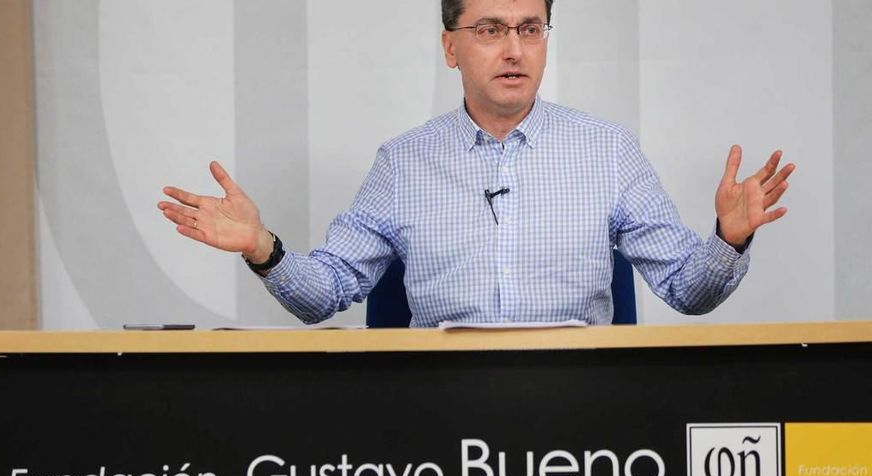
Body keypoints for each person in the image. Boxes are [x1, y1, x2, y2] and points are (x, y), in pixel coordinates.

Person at [158, 0, 795, 327]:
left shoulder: (609, 153)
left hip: (589, 413)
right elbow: (323, 296)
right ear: (449, 47)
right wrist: (261, 246)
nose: (514, 49)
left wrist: (727, 239)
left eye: (531, 28)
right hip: (441, 412)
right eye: (490, 29)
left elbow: (691, 291)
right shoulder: (403, 164)